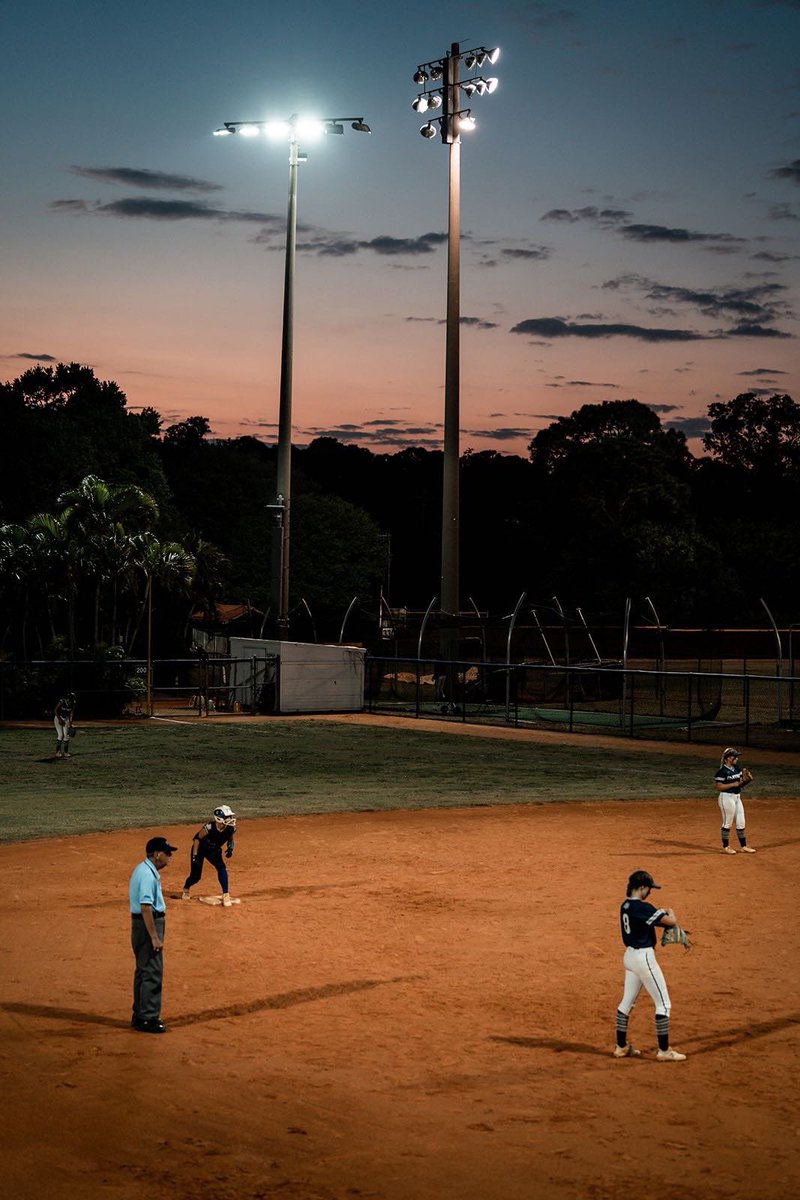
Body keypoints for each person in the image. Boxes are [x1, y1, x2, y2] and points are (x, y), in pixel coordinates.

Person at [614, 869, 687, 1062]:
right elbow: (671, 921)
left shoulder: (626, 905)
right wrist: (670, 912)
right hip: (643, 958)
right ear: (641, 887)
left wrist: (657, 912)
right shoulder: (643, 908)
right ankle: (664, 1051)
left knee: (626, 1003)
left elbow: (647, 918)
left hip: (629, 957)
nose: (650, 892)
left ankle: (621, 1047)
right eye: (649, 888)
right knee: (664, 1004)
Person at [129, 835, 176, 1033]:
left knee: (142, 970)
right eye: (167, 853)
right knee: (152, 972)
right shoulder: (148, 875)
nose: (169, 857)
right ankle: (148, 1018)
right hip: (148, 924)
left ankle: (139, 1015)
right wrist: (155, 937)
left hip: (139, 925)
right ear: (157, 854)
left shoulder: (143, 869)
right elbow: (146, 907)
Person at [182, 806, 237, 906]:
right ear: (219, 819)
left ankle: (226, 894)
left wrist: (230, 848)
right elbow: (197, 839)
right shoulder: (209, 827)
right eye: (227, 817)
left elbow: (230, 839)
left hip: (214, 851)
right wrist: (194, 856)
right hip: (199, 850)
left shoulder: (230, 828)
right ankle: (186, 888)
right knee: (196, 876)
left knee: (221, 867)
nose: (230, 819)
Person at [714, 747, 756, 855]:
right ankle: (726, 847)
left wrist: (747, 781)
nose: (737, 758)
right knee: (727, 822)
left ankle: (743, 846)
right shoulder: (721, 772)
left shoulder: (736, 768)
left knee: (741, 822)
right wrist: (733, 784)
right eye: (735, 756)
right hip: (726, 798)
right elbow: (718, 787)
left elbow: (740, 784)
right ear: (728, 758)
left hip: (737, 797)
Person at [53, 692, 77, 758]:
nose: (70, 701)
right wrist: (59, 719)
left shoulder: (73, 703)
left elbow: (71, 713)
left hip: (66, 719)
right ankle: (58, 752)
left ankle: (66, 752)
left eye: (71, 700)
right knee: (60, 735)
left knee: (66, 736)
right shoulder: (62, 701)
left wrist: (70, 723)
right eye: (69, 699)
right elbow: (55, 710)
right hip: (58, 718)